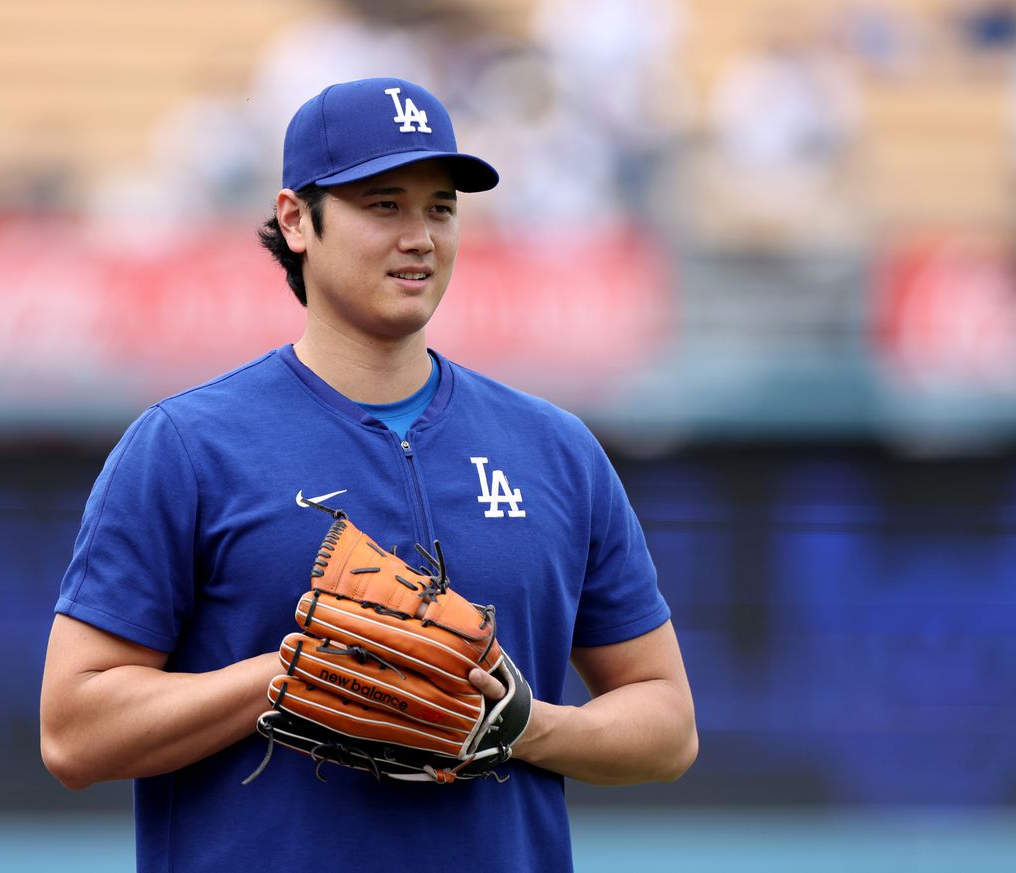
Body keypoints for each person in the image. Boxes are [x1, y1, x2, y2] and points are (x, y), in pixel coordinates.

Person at [39, 77, 698, 873]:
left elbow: (667, 723)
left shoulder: (556, 448)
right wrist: (299, 672)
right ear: (295, 220)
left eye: (441, 208)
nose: (419, 235)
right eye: (383, 205)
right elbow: (72, 731)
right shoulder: (184, 445)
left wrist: (522, 725)